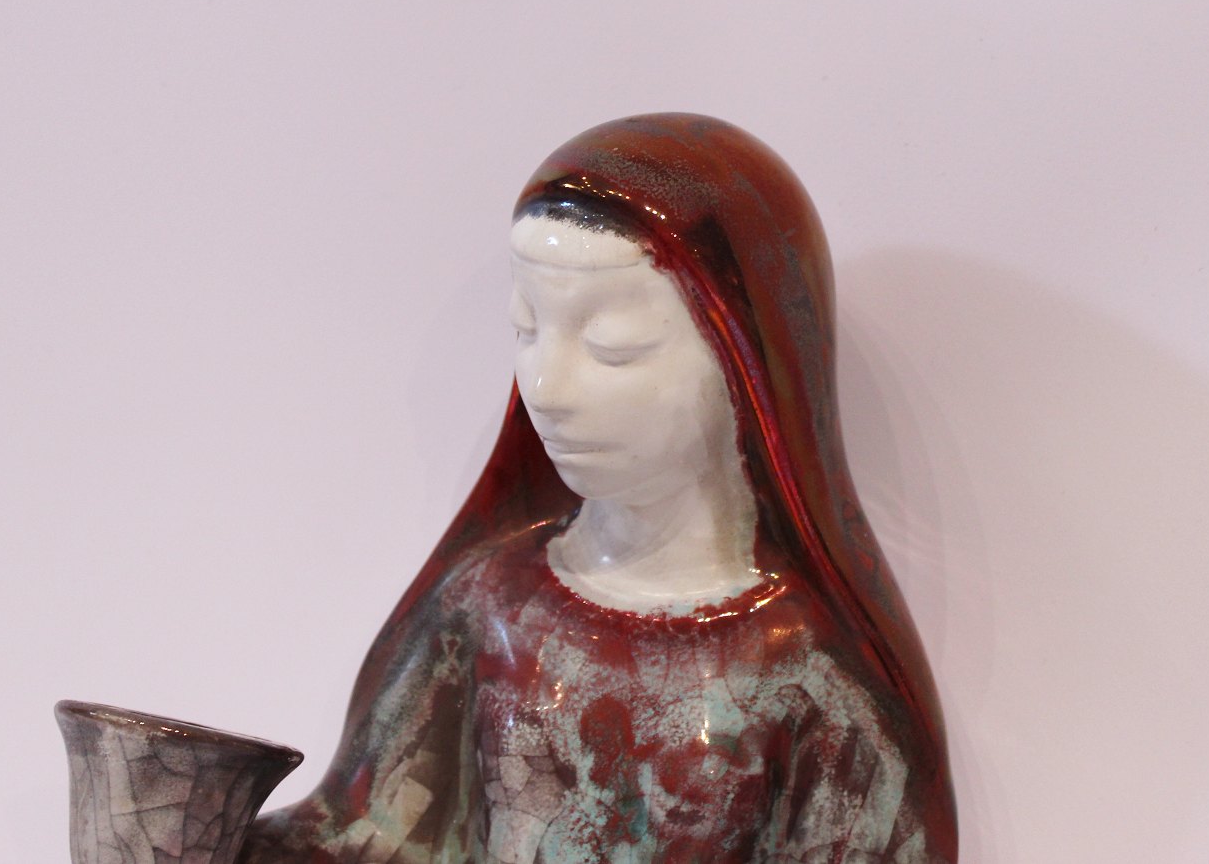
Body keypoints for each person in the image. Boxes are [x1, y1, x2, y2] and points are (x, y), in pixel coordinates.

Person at [242, 114, 957, 863]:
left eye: (614, 347)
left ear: (743, 361)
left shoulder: (808, 672)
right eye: (527, 329)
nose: (547, 388)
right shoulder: (487, 609)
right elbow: (374, 840)